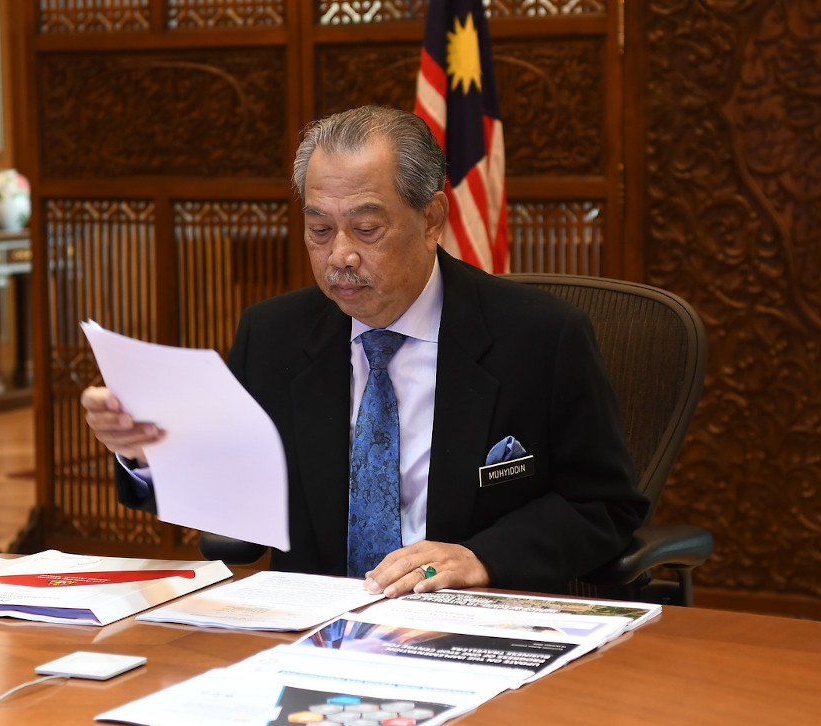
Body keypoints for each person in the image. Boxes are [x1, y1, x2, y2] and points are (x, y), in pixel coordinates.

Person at [81, 105, 648, 599]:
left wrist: (482, 558)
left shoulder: (540, 336)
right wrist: (148, 453)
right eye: (320, 229)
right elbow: (239, 515)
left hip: (475, 623)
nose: (340, 256)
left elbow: (601, 505)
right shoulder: (274, 333)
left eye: (367, 228)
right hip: (311, 631)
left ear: (431, 219)